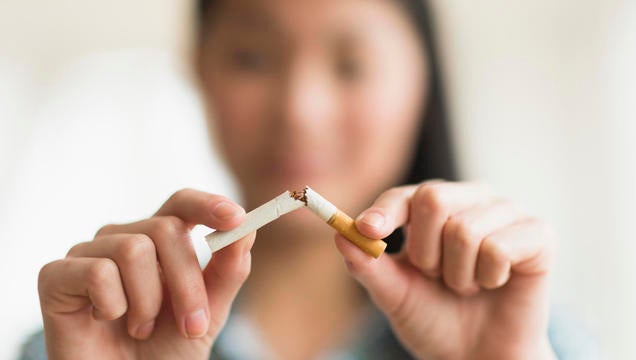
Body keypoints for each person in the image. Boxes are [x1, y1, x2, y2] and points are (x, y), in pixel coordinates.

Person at [26, 0, 596, 359]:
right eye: (251, 58)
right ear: (199, 69)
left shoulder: (533, 339)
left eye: (350, 65)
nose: (300, 109)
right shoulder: (96, 333)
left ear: (421, 77)